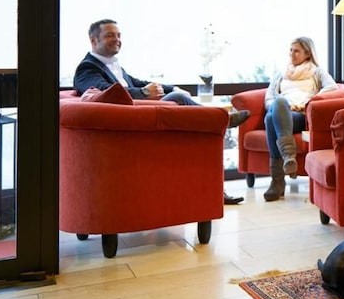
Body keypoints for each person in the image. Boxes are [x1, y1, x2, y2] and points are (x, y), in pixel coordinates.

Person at [74, 18, 250, 205]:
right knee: (179, 99)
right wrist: (143, 93)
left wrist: (171, 88)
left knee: (200, 132)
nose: (117, 39)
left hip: (141, 118)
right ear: (94, 40)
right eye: (110, 35)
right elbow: (106, 92)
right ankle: (221, 119)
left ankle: (215, 189)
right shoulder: (87, 68)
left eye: (119, 35)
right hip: (132, 126)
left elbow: (138, 83)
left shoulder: (114, 66)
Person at [263, 36, 338, 201]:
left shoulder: (317, 72)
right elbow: (269, 96)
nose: (292, 54)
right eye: (290, 50)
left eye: (296, 51)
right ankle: (288, 158)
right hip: (282, 111)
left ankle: (277, 181)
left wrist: (309, 102)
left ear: (308, 53)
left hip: (299, 116)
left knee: (270, 120)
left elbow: (332, 87)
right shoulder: (282, 74)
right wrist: (275, 107)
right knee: (276, 108)